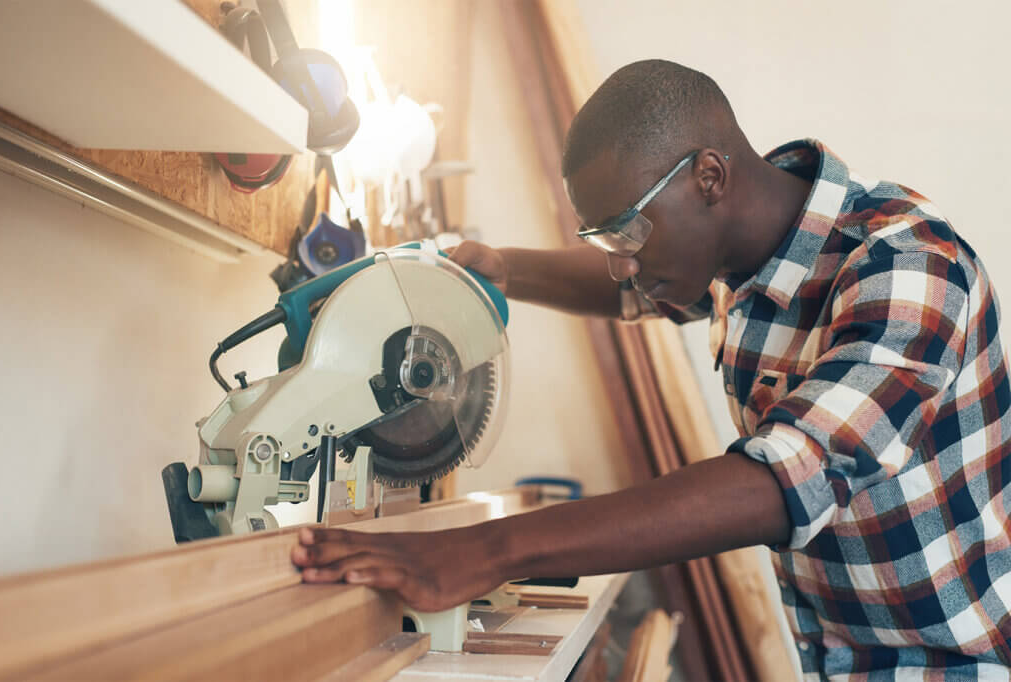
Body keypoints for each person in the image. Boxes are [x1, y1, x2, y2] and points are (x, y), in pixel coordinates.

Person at [292, 60, 1011, 678]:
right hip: (845, 656)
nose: (620, 260)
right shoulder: (747, 253)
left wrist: (486, 550)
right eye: (604, 236)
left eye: (628, 230)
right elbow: (629, 286)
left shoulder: (908, 266)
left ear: (709, 176)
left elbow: (781, 482)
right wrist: (506, 269)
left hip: (951, 663)